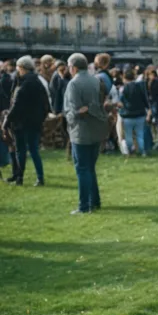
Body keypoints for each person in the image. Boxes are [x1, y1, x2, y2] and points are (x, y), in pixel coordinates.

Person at [64, 53, 108, 214]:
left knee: (82, 168)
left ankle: (84, 206)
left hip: (81, 131)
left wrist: (72, 118)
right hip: (97, 128)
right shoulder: (96, 80)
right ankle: (94, 201)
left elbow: (73, 109)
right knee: (90, 167)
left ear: (74, 67)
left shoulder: (74, 83)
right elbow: (101, 103)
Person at [4, 55, 49, 186]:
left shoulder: (24, 83)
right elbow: (45, 104)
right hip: (34, 122)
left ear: (22, 68)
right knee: (33, 150)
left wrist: (7, 121)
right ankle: (39, 177)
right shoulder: (37, 81)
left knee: (21, 150)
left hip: (21, 122)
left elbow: (17, 104)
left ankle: (20, 178)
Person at [118, 68, 150, 157]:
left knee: (128, 135)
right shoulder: (140, 87)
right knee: (140, 134)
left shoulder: (123, 88)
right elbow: (145, 99)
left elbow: (121, 102)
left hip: (127, 115)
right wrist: (148, 109)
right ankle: (142, 151)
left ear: (124, 78)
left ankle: (131, 151)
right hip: (140, 114)